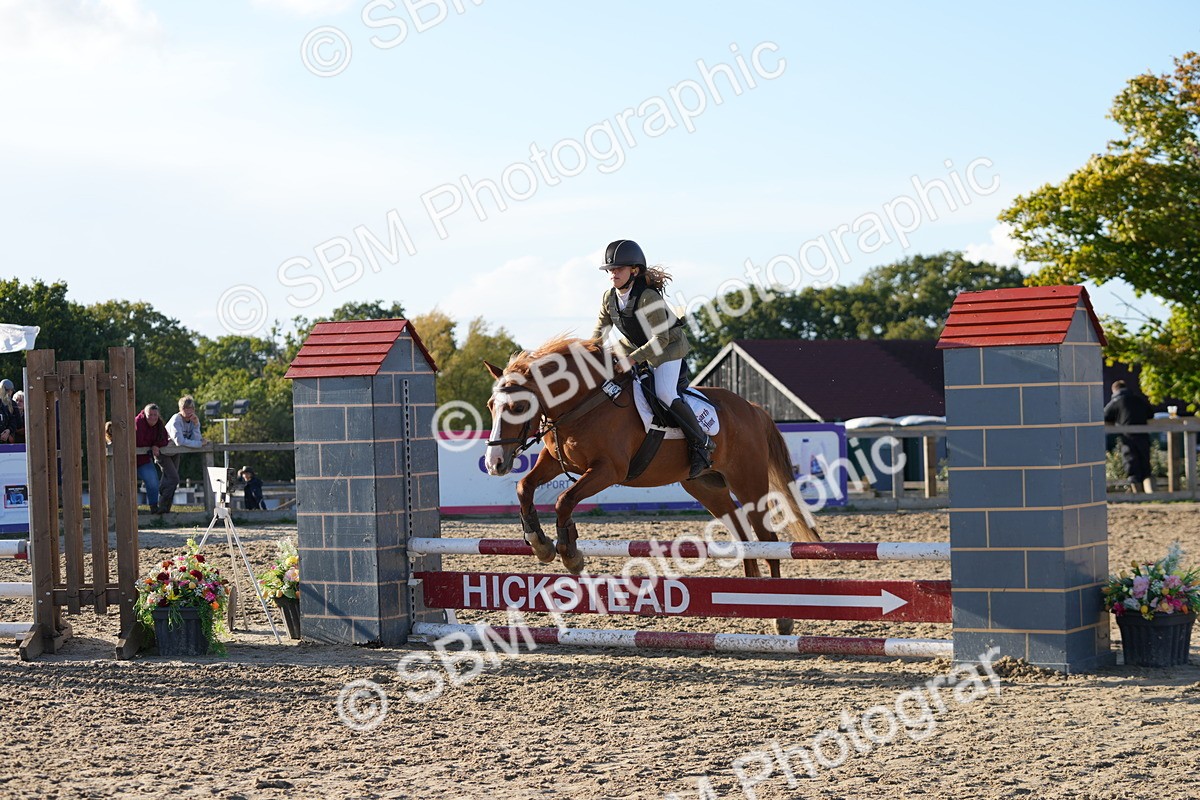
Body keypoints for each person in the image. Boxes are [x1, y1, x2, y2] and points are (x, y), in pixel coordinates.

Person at [590, 239, 714, 479]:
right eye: (610, 270)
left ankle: (702, 444)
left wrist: (632, 360)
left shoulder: (648, 298)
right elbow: (600, 332)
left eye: (618, 269)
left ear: (634, 270)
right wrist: (586, 354)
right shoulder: (609, 297)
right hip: (635, 346)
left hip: (668, 349)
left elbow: (661, 340)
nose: (613, 274)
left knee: (665, 393)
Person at [1104, 380, 1154, 493]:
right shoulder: (1138, 399)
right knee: (1145, 465)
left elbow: (1105, 415)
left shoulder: (1117, 400)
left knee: (1132, 464)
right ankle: (1150, 493)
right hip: (1143, 436)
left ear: (1115, 390)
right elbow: (1150, 413)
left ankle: (1137, 494)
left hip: (1128, 438)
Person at [163, 395, 209, 512]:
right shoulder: (176, 420)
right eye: (185, 408)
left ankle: (164, 508)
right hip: (163, 451)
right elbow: (180, 441)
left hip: (175, 453)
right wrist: (199, 444)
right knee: (173, 479)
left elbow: (195, 438)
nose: (188, 411)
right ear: (180, 409)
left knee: (168, 480)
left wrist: (196, 425)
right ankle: (162, 506)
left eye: (191, 408)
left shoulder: (192, 420)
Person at [134, 403, 178, 513]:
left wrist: (156, 445)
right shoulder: (137, 423)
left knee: (153, 482)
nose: (153, 418)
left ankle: (154, 507)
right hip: (129, 460)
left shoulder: (159, 424)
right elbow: (138, 441)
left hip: (144, 460)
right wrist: (151, 444)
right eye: (150, 415)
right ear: (145, 414)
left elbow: (164, 439)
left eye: (155, 415)